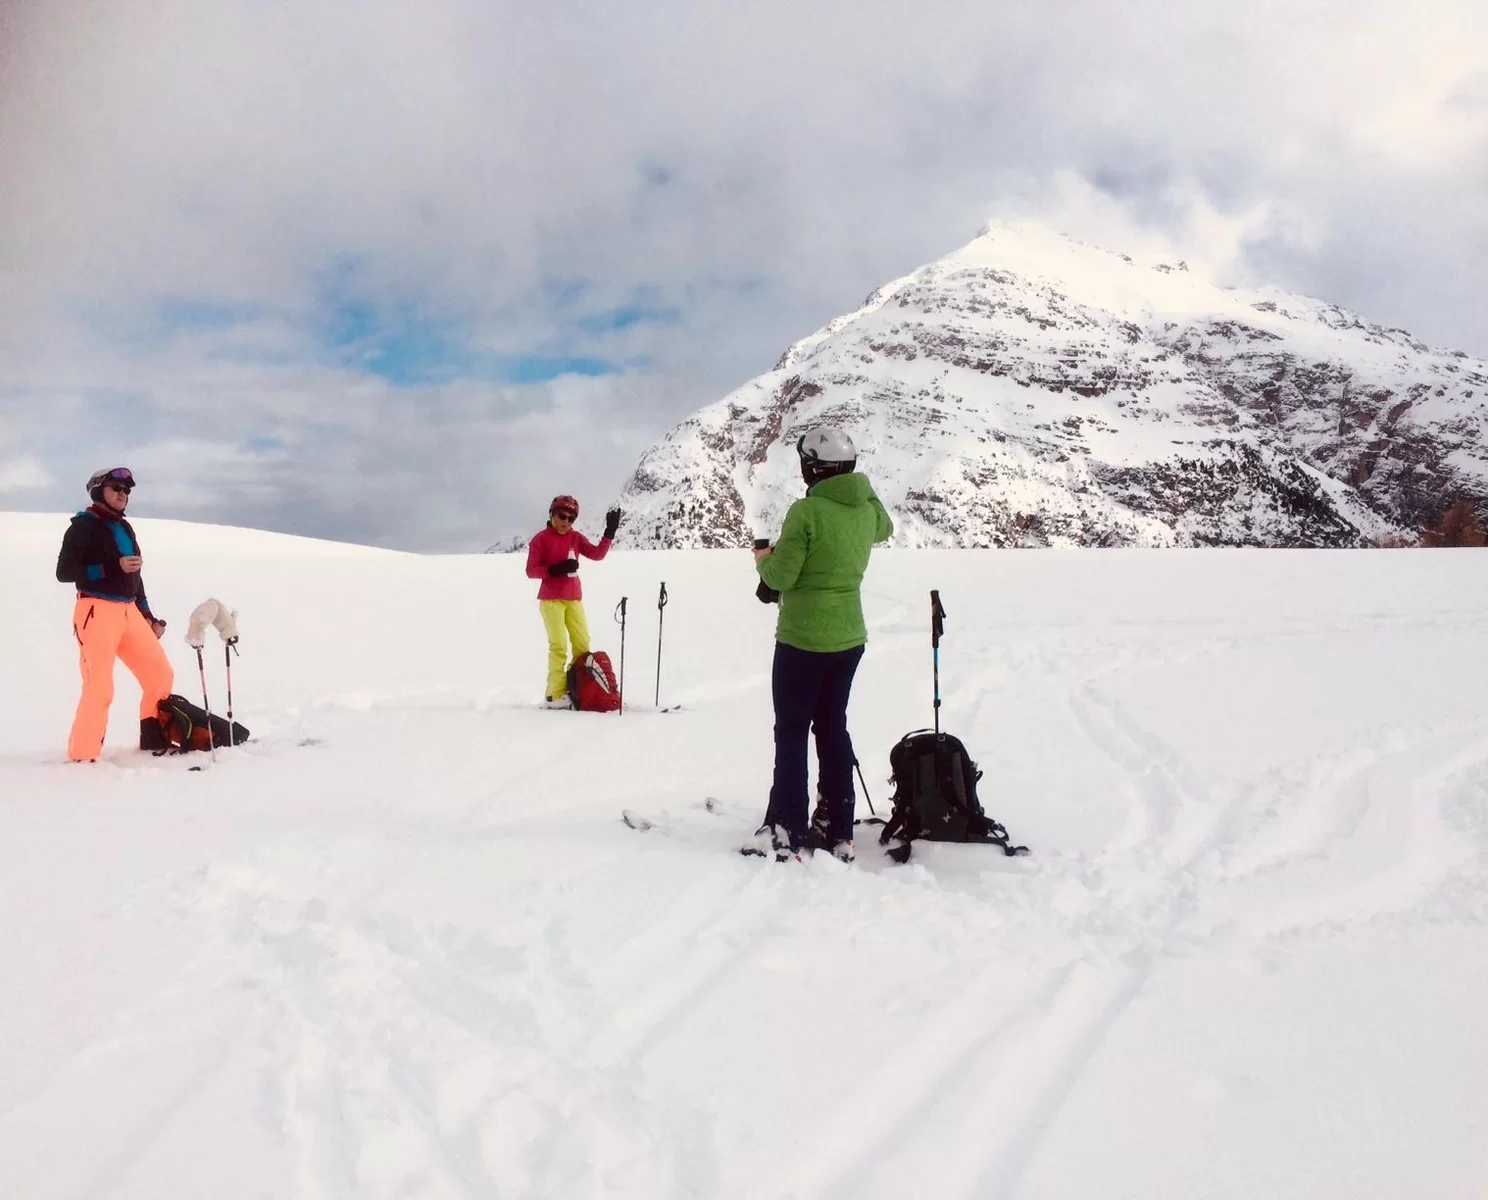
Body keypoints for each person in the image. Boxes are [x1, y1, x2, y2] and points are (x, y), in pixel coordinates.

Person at [748, 429, 893, 861]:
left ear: (811, 467)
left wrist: (764, 560)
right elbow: (885, 526)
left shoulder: (806, 512)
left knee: (792, 732)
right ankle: (837, 826)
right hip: (849, 639)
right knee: (832, 728)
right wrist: (861, 487)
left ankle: (787, 828)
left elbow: (781, 577)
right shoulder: (865, 510)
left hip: (802, 641)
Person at [55, 467, 173, 761]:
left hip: (129, 611)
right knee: (100, 687)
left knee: (160, 675)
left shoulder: (125, 528)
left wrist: (147, 615)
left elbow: (135, 575)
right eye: (116, 488)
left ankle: (153, 739)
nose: (123, 494)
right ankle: (83, 756)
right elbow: (64, 572)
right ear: (98, 491)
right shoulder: (82, 527)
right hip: (96, 610)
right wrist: (111, 568)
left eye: (126, 490)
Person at [525, 495, 621, 708]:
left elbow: (597, 554)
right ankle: (554, 695)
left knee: (582, 644)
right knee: (559, 646)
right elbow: (531, 571)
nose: (566, 521)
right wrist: (554, 570)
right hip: (551, 600)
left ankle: (578, 687)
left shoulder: (575, 538)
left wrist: (609, 532)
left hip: (574, 599)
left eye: (571, 518)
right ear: (552, 514)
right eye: (562, 516)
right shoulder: (540, 539)